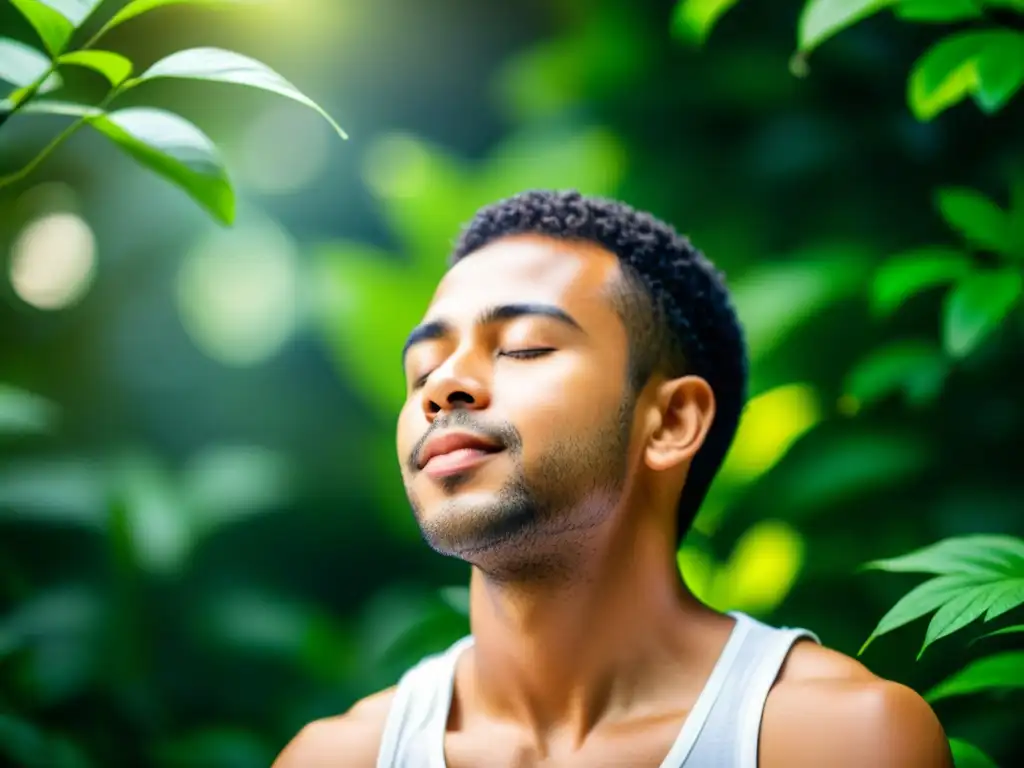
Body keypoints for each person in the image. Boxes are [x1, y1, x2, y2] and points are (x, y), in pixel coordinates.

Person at [273, 190, 952, 767]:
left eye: (522, 348)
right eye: (422, 370)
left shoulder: (839, 742)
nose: (443, 385)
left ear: (670, 422)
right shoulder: (336, 756)